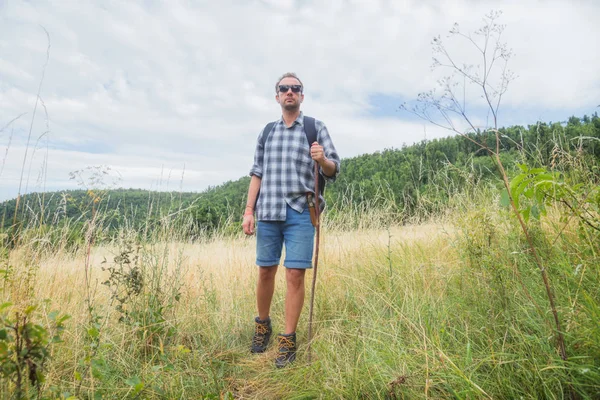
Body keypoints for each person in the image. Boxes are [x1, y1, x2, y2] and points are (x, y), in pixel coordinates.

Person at [242, 72, 340, 368]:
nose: (289, 92)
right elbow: (256, 172)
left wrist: (322, 160)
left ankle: (288, 339)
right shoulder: (267, 131)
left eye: (295, 89)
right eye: (284, 88)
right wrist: (249, 210)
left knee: (295, 275)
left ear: (301, 95)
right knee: (265, 272)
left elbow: (334, 170)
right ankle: (262, 326)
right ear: (277, 96)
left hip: (301, 210)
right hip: (268, 211)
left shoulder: (314, 127)